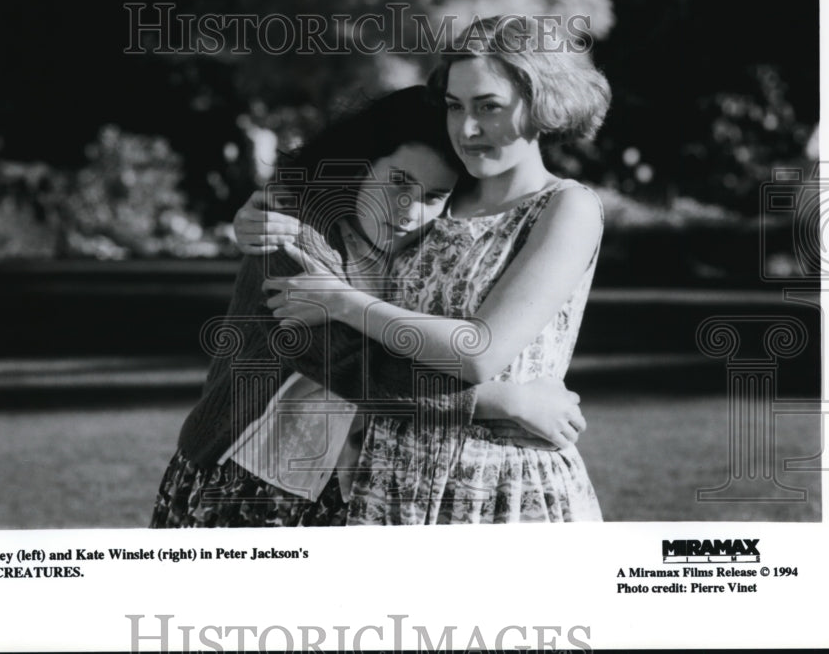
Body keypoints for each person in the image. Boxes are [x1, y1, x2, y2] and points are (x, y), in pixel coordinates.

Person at [150, 84, 586, 528]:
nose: (408, 210)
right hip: (247, 475)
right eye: (399, 181)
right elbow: (344, 363)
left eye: (433, 196)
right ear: (361, 164)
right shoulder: (289, 230)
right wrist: (501, 401)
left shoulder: (430, 248)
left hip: (354, 494)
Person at [260, 15, 610, 523]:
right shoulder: (438, 196)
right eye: (454, 106)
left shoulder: (566, 207)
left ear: (544, 104)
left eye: (488, 107)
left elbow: (480, 352)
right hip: (387, 481)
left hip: (495, 486)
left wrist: (341, 301)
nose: (465, 130)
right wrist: (261, 209)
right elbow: (327, 196)